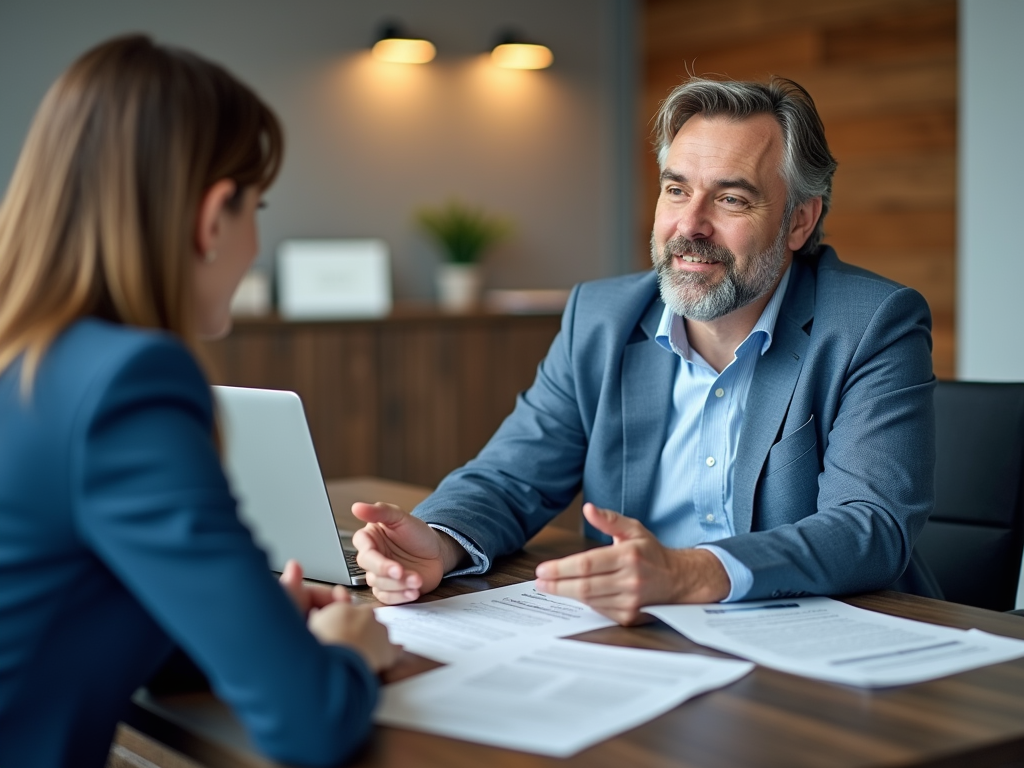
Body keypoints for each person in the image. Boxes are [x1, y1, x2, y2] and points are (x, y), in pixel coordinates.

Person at [353, 76, 938, 624]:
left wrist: (691, 573)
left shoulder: (872, 323)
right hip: (641, 637)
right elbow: (510, 477)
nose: (690, 225)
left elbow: (871, 526)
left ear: (798, 221)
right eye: (676, 189)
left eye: (731, 199)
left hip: (824, 642)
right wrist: (441, 539)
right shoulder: (602, 317)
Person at [0, 36, 399, 768]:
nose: (254, 241)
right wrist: (348, 652)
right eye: (258, 207)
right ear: (214, 215)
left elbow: (65, 603)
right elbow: (308, 725)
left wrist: (255, 622)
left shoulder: (25, 358)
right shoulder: (126, 380)